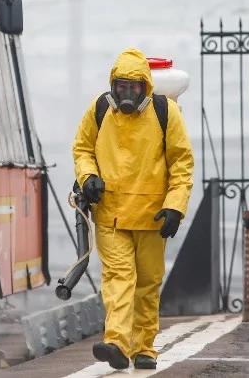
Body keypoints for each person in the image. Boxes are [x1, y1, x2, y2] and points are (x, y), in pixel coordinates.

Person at [72, 48, 194, 371]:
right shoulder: (100, 110)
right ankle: (116, 342)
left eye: (133, 87)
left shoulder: (165, 112)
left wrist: (174, 208)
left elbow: (182, 164)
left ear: (145, 87)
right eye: (121, 87)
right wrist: (89, 178)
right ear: (113, 85)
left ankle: (145, 347)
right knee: (118, 277)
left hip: (152, 217)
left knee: (148, 283)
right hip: (111, 215)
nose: (127, 94)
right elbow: (83, 148)